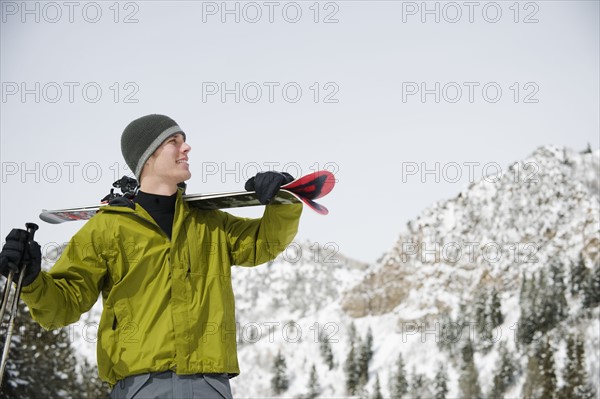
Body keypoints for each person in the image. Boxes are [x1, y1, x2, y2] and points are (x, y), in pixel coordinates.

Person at [0, 114, 303, 398]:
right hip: (140, 385)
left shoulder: (210, 223)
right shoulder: (107, 229)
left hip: (209, 384)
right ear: (147, 156)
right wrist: (31, 279)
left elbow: (264, 243)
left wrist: (281, 200)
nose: (187, 147)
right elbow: (63, 305)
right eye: (174, 141)